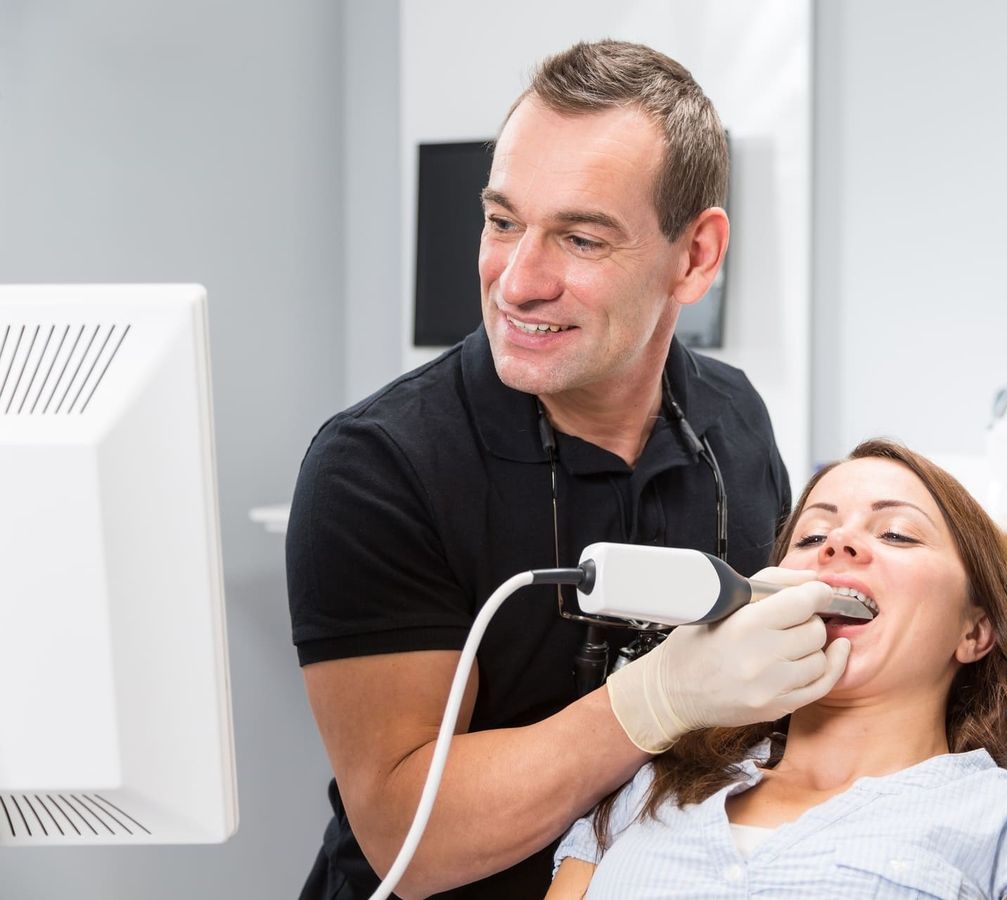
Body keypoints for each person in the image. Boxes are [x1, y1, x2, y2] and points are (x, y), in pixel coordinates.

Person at [286, 40, 854, 899]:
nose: (517, 282)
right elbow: (414, 840)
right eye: (502, 221)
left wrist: (932, 558)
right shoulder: (376, 468)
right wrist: (656, 699)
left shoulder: (733, 421)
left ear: (695, 256)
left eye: (581, 239)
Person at [548, 439, 1007, 900]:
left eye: (897, 534)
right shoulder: (646, 793)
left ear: (974, 631)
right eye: (812, 537)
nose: (839, 545)